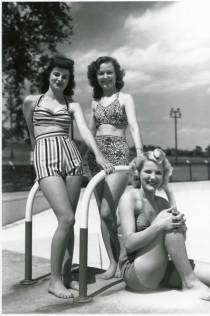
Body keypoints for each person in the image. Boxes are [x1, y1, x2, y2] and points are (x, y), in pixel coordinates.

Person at [22, 55, 114, 299]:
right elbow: (33, 135)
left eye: (64, 75)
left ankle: (65, 275)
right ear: (48, 75)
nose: (60, 78)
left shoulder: (71, 105)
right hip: (46, 156)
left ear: (68, 79)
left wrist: (99, 155)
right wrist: (38, 165)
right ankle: (54, 281)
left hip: (71, 157)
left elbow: (83, 132)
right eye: (56, 74)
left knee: (71, 221)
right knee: (66, 218)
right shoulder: (32, 101)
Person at [118, 148, 210, 301]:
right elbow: (129, 243)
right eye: (148, 172)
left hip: (161, 266)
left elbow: (175, 243)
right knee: (169, 223)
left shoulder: (162, 202)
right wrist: (158, 225)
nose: (153, 177)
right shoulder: (129, 198)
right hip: (136, 271)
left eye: (158, 173)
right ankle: (190, 284)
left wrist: (182, 229)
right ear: (138, 172)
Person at [86, 56, 143, 279]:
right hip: (96, 156)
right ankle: (113, 262)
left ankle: (123, 258)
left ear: (116, 75)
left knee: (107, 211)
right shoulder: (94, 103)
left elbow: (134, 126)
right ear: (96, 76)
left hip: (119, 153)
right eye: (101, 73)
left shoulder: (125, 98)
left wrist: (139, 153)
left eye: (109, 72)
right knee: (103, 216)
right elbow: (90, 133)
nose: (105, 76)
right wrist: (85, 157)